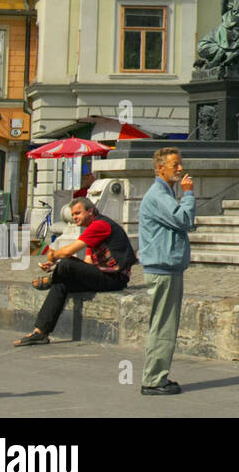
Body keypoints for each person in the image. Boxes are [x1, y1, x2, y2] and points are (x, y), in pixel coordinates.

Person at [14, 197, 135, 346]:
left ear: (90, 211)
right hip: (103, 275)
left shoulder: (101, 225)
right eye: (73, 214)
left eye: (78, 213)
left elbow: (67, 252)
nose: (75, 217)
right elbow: (87, 264)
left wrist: (53, 256)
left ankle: (50, 280)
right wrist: (55, 267)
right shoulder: (93, 229)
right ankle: (41, 332)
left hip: (115, 278)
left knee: (66, 263)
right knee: (62, 283)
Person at [138, 146, 196, 395]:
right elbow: (184, 220)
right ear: (160, 168)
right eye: (175, 165)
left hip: (166, 265)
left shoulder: (164, 192)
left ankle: (156, 375)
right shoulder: (158, 195)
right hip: (162, 268)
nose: (181, 169)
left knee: (163, 324)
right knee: (163, 326)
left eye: (180, 163)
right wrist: (189, 195)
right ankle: (154, 379)